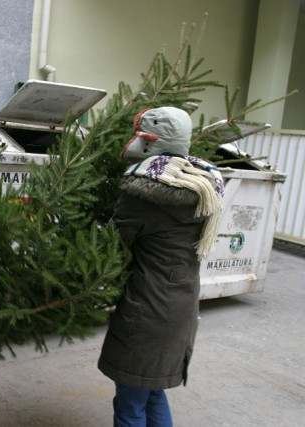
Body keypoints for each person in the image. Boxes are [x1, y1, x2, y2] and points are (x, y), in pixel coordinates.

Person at [97, 106, 224, 427]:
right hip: (182, 306)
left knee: (130, 404)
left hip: (147, 311)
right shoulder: (203, 182)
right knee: (152, 393)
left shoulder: (142, 191)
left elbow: (111, 246)